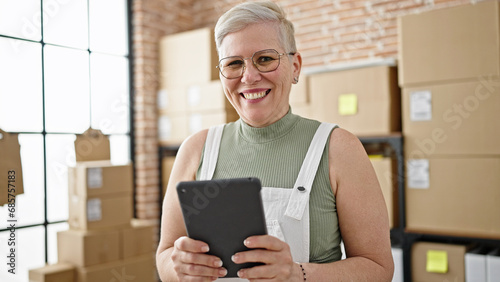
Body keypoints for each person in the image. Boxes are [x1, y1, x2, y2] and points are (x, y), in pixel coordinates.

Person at [156, 1, 394, 281]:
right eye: (234, 64)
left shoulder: (339, 148)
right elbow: (165, 257)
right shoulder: (196, 150)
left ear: (295, 66)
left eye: (265, 59)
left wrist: (297, 274)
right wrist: (180, 268)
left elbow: (378, 269)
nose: (249, 76)